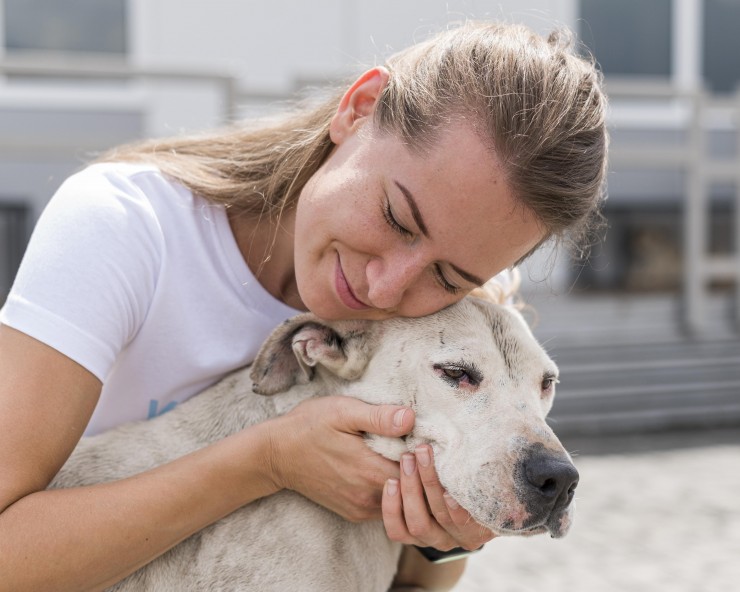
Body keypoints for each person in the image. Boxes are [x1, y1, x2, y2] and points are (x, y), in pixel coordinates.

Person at [0, 20, 607, 591]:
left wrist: (447, 540)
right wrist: (269, 459)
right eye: (396, 218)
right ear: (359, 108)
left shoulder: (442, 336)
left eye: (450, 276)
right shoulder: (125, 227)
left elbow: (411, 580)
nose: (386, 288)